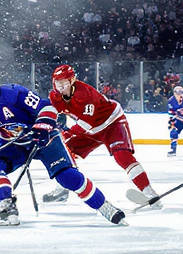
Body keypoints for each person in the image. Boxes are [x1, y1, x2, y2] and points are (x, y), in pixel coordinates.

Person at [0, 72, 125, 227]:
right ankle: (7, 206)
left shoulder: (15, 94)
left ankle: (103, 205)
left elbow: (47, 107)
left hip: (45, 138)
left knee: (67, 177)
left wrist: (42, 126)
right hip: (16, 144)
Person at [46, 65, 157, 205]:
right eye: (58, 82)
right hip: (91, 130)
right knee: (64, 153)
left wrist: (66, 134)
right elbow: (54, 114)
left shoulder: (85, 93)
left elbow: (87, 124)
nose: (61, 87)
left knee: (122, 156)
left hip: (112, 123)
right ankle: (62, 189)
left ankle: (150, 194)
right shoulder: (54, 96)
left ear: (72, 80)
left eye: (64, 82)